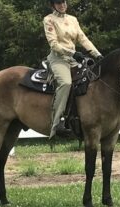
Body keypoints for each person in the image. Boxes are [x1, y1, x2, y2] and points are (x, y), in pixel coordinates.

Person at [44, 0, 103, 139]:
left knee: (90, 80)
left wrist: (97, 54)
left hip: (73, 60)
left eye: (63, 2)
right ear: (53, 5)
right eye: (58, 3)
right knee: (66, 83)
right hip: (58, 59)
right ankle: (57, 123)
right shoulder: (49, 19)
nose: (62, 5)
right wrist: (72, 53)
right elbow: (54, 44)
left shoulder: (73, 19)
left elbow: (83, 38)